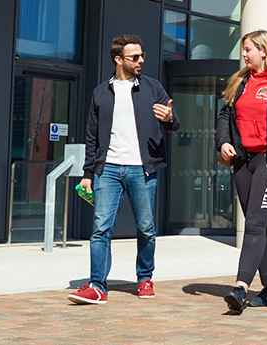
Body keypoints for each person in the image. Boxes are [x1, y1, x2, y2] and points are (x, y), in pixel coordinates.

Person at [67, 34, 179, 305]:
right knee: (100, 229)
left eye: (142, 56)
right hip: (108, 170)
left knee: (146, 228)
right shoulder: (100, 93)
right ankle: (97, 286)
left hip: (143, 170)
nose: (141, 60)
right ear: (118, 60)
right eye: (135, 57)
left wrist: (170, 118)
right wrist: (87, 173)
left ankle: (145, 278)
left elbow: (174, 124)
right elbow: (92, 136)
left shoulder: (153, 88)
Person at [215, 30, 267, 313]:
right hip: (243, 161)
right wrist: (224, 141)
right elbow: (225, 115)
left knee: (253, 222)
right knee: (259, 225)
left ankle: (241, 288)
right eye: (244, 49)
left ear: (264, 50)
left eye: (248, 49)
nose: (244, 54)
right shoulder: (240, 82)